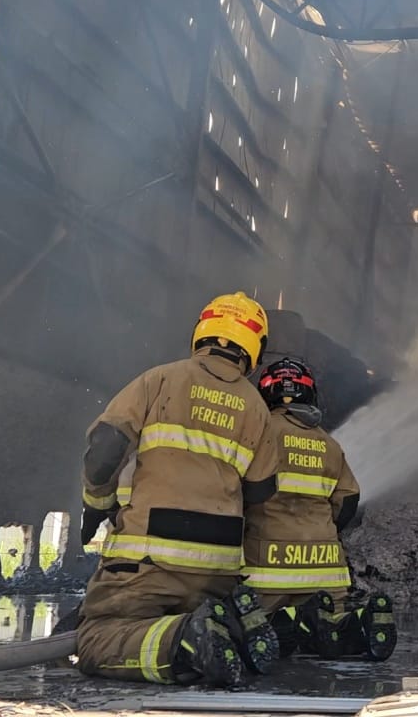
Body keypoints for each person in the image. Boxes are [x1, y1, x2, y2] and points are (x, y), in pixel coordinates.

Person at [74, 292, 285, 686]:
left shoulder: (161, 379)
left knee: (95, 640)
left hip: (149, 560)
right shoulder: (256, 407)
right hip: (218, 572)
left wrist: (95, 504)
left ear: (202, 330)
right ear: (254, 347)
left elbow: (104, 448)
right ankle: (228, 627)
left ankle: (186, 640)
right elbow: (260, 494)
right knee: (205, 629)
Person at [242, 358, 396, 660]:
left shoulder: (257, 433)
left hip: (266, 574)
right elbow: (348, 502)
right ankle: (357, 626)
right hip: (326, 573)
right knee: (330, 623)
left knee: (248, 622)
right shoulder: (330, 444)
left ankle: (280, 622)